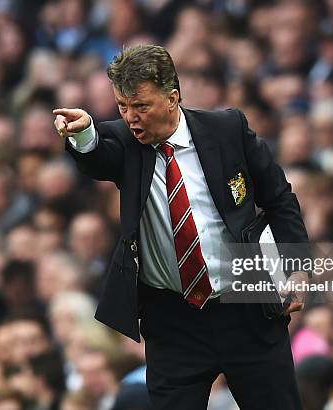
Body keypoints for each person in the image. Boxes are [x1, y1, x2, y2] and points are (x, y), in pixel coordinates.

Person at [52, 44, 308, 409]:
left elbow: (280, 198)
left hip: (245, 306)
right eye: (123, 106)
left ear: (172, 98)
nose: (131, 118)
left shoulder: (227, 129)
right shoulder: (124, 142)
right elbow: (98, 155)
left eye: (141, 106)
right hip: (172, 320)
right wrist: (82, 134)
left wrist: (296, 268)